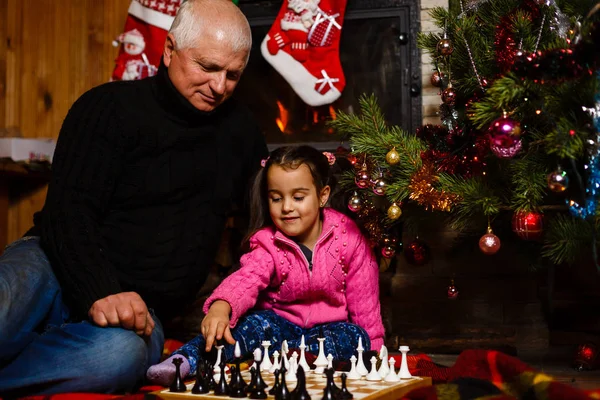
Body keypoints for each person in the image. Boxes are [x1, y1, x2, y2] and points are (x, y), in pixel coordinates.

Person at [0, 0, 268, 396]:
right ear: (170, 49)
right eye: (208, 67)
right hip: (51, 264)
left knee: (118, 359)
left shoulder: (242, 131)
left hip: (144, 309)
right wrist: (100, 290)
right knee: (6, 304)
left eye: (233, 75)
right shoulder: (107, 107)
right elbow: (67, 212)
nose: (219, 86)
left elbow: (266, 216)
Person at [147, 145, 385, 385]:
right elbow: (246, 279)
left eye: (298, 197)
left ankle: (279, 358)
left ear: (323, 195)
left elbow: (365, 301)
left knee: (356, 337)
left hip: (327, 333)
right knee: (249, 327)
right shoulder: (267, 243)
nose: (287, 207)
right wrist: (222, 306)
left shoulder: (349, 238)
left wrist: (374, 355)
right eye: (276, 198)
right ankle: (183, 362)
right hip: (277, 327)